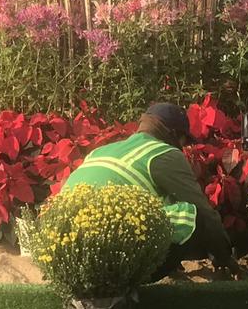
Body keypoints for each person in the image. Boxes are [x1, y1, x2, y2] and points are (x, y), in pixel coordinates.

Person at [60, 103, 238, 278]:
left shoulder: (100, 151)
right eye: (184, 141)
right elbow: (203, 211)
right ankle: (135, 278)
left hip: (65, 251)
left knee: (156, 205)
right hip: (110, 257)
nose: (184, 147)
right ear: (174, 135)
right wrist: (223, 254)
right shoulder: (163, 153)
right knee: (191, 214)